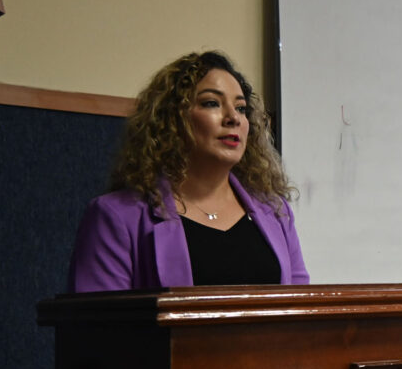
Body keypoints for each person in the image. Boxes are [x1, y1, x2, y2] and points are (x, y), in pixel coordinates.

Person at [68, 51, 308, 292]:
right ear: (173, 120)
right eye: (212, 103)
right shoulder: (117, 216)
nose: (233, 118)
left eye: (241, 108)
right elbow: (97, 327)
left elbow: (303, 317)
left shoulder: (276, 212)